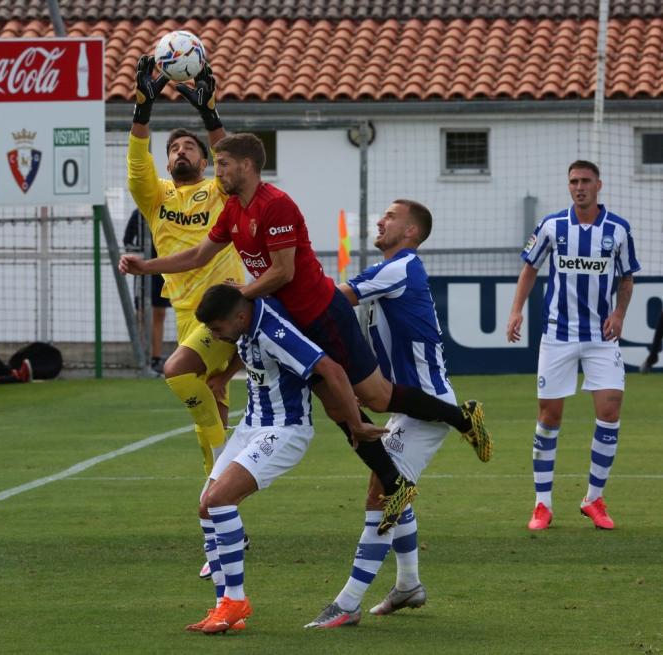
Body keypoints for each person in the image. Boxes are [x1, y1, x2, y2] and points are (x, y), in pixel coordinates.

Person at [119, 132, 491, 534]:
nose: (218, 171)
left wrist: (238, 296)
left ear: (245, 166)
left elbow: (283, 272)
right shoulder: (232, 210)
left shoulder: (275, 205)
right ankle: (395, 482)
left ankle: (461, 417)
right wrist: (147, 267)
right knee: (337, 408)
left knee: (376, 398)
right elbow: (197, 255)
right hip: (289, 319)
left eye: (223, 163)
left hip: (321, 314)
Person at [305, 199, 472, 628]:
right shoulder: (397, 270)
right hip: (407, 406)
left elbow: (335, 299)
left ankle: (348, 603)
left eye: (391, 217)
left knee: (383, 494)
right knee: (389, 488)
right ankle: (408, 586)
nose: (380, 221)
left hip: (427, 406)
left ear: (412, 232)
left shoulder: (401, 267)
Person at [183, 284, 386, 634]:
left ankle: (235, 601)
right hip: (252, 425)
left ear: (240, 317)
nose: (215, 336)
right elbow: (245, 351)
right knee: (206, 507)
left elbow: (331, 369)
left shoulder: (275, 331)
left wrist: (355, 424)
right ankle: (226, 609)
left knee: (219, 500)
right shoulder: (244, 323)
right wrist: (225, 375)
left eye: (217, 329)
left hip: (284, 430)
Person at [128, 55, 247, 571]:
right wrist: (143, 105)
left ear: (203, 160)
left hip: (224, 306)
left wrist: (210, 115)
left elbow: (234, 163)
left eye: (189, 148)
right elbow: (136, 163)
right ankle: (222, 532)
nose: (180, 152)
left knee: (177, 376)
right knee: (210, 419)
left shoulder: (216, 190)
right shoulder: (156, 200)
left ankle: (223, 473)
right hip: (184, 315)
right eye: (173, 148)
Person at [506, 160, 640, 531]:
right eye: (573, 182)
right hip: (558, 334)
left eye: (585, 181)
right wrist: (516, 311)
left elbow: (627, 279)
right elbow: (530, 268)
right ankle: (542, 505)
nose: (578, 187)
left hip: (601, 337)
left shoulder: (618, 229)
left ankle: (594, 499)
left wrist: (619, 315)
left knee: (610, 411)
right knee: (549, 418)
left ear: (599, 185)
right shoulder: (552, 226)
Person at [123, 207, 171, 374]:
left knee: (160, 313)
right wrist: (139, 256)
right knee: (142, 313)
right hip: (144, 271)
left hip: (164, 268)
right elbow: (127, 240)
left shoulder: (168, 211)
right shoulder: (138, 214)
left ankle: (156, 357)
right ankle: (143, 356)